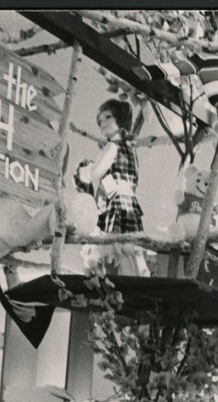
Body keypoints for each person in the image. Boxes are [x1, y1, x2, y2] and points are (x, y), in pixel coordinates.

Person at [75, 98, 148, 276]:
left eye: (107, 117)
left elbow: (95, 173)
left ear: (120, 118)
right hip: (129, 203)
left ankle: (125, 281)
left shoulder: (112, 146)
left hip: (114, 203)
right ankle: (140, 277)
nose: (103, 123)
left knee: (117, 247)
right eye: (100, 121)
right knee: (131, 248)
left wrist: (85, 169)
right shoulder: (130, 149)